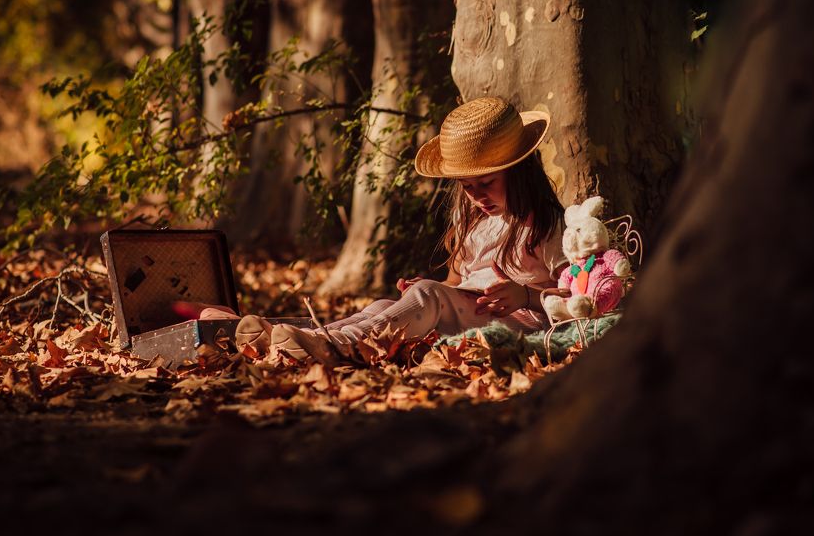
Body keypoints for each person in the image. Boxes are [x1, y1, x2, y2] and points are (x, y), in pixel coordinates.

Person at [223, 96, 568, 364]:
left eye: (487, 183)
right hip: (467, 311)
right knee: (381, 306)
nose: (476, 196)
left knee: (428, 296)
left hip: (516, 322)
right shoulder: (473, 218)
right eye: (466, 186)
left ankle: (334, 347)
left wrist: (524, 295)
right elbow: (453, 283)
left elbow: (576, 298)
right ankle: (298, 336)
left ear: (518, 171)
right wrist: (425, 290)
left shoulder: (546, 224)